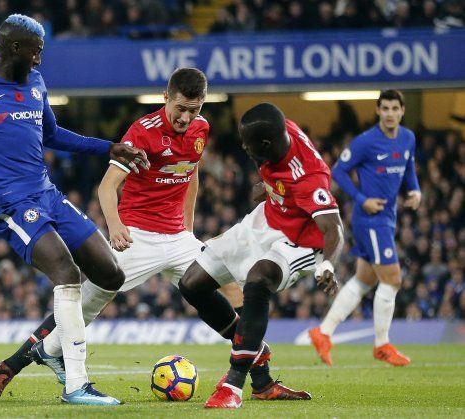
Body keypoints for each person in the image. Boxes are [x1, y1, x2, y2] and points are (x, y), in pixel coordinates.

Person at [0, 14, 149, 406]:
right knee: (67, 274)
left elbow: (52, 134)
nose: (39, 61)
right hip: (9, 203)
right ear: (13, 49)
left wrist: (109, 146)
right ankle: (77, 385)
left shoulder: (35, 82)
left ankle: (49, 349)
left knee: (111, 274)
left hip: (47, 194)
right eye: (36, 53)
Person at [31, 69, 303, 400]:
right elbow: (107, 186)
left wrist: (187, 228)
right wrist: (115, 226)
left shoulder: (201, 129)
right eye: (181, 108)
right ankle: (28, 357)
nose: (187, 117)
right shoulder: (142, 132)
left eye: (195, 109)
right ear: (166, 98)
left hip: (177, 238)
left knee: (231, 287)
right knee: (86, 302)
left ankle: (260, 379)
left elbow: (191, 174)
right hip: (137, 235)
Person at [178, 103, 344, 409]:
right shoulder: (277, 132)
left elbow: (333, 227)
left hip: (300, 242)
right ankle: (260, 367)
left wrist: (328, 264)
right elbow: (281, 178)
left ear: (266, 144)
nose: (244, 148)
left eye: (248, 144)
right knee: (192, 283)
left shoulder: (310, 175)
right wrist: (269, 188)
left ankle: (233, 384)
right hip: (267, 218)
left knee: (258, 279)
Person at [309, 90, 421, 367]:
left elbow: (409, 169)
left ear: (402, 111)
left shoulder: (408, 138)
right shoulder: (366, 141)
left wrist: (415, 190)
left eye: (395, 108)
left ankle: (323, 333)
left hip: (388, 217)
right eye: (385, 108)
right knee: (392, 279)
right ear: (378, 110)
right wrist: (361, 199)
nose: (390, 113)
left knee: (364, 280)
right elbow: (338, 171)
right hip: (370, 219)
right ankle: (382, 344)